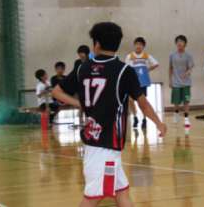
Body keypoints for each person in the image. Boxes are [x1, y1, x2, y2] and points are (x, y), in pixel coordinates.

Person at [53, 22, 167, 206]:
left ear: (96, 44)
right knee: (93, 198)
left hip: (101, 144)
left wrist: (80, 103)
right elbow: (143, 103)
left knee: (122, 193)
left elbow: (56, 92)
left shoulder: (82, 68)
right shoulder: (124, 71)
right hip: (105, 147)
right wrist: (159, 123)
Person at [125, 38, 159, 129]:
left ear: (143, 46)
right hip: (132, 82)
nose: (138, 46)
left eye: (140, 44)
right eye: (137, 44)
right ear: (134, 45)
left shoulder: (146, 56)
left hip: (143, 82)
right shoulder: (129, 56)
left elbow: (156, 64)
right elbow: (126, 69)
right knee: (130, 100)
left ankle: (144, 119)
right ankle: (135, 117)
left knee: (143, 102)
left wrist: (147, 70)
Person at [169, 35, 194, 129]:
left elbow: (191, 67)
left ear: (185, 44)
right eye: (178, 41)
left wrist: (187, 72)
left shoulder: (188, 56)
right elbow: (170, 68)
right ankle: (176, 114)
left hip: (186, 83)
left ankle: (186, 119)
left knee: (186, 102)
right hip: (176, 83)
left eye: (182, 41)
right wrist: (170, 80)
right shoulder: (172, 55)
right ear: (176, 43)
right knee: (176, 102)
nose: (179, 43)